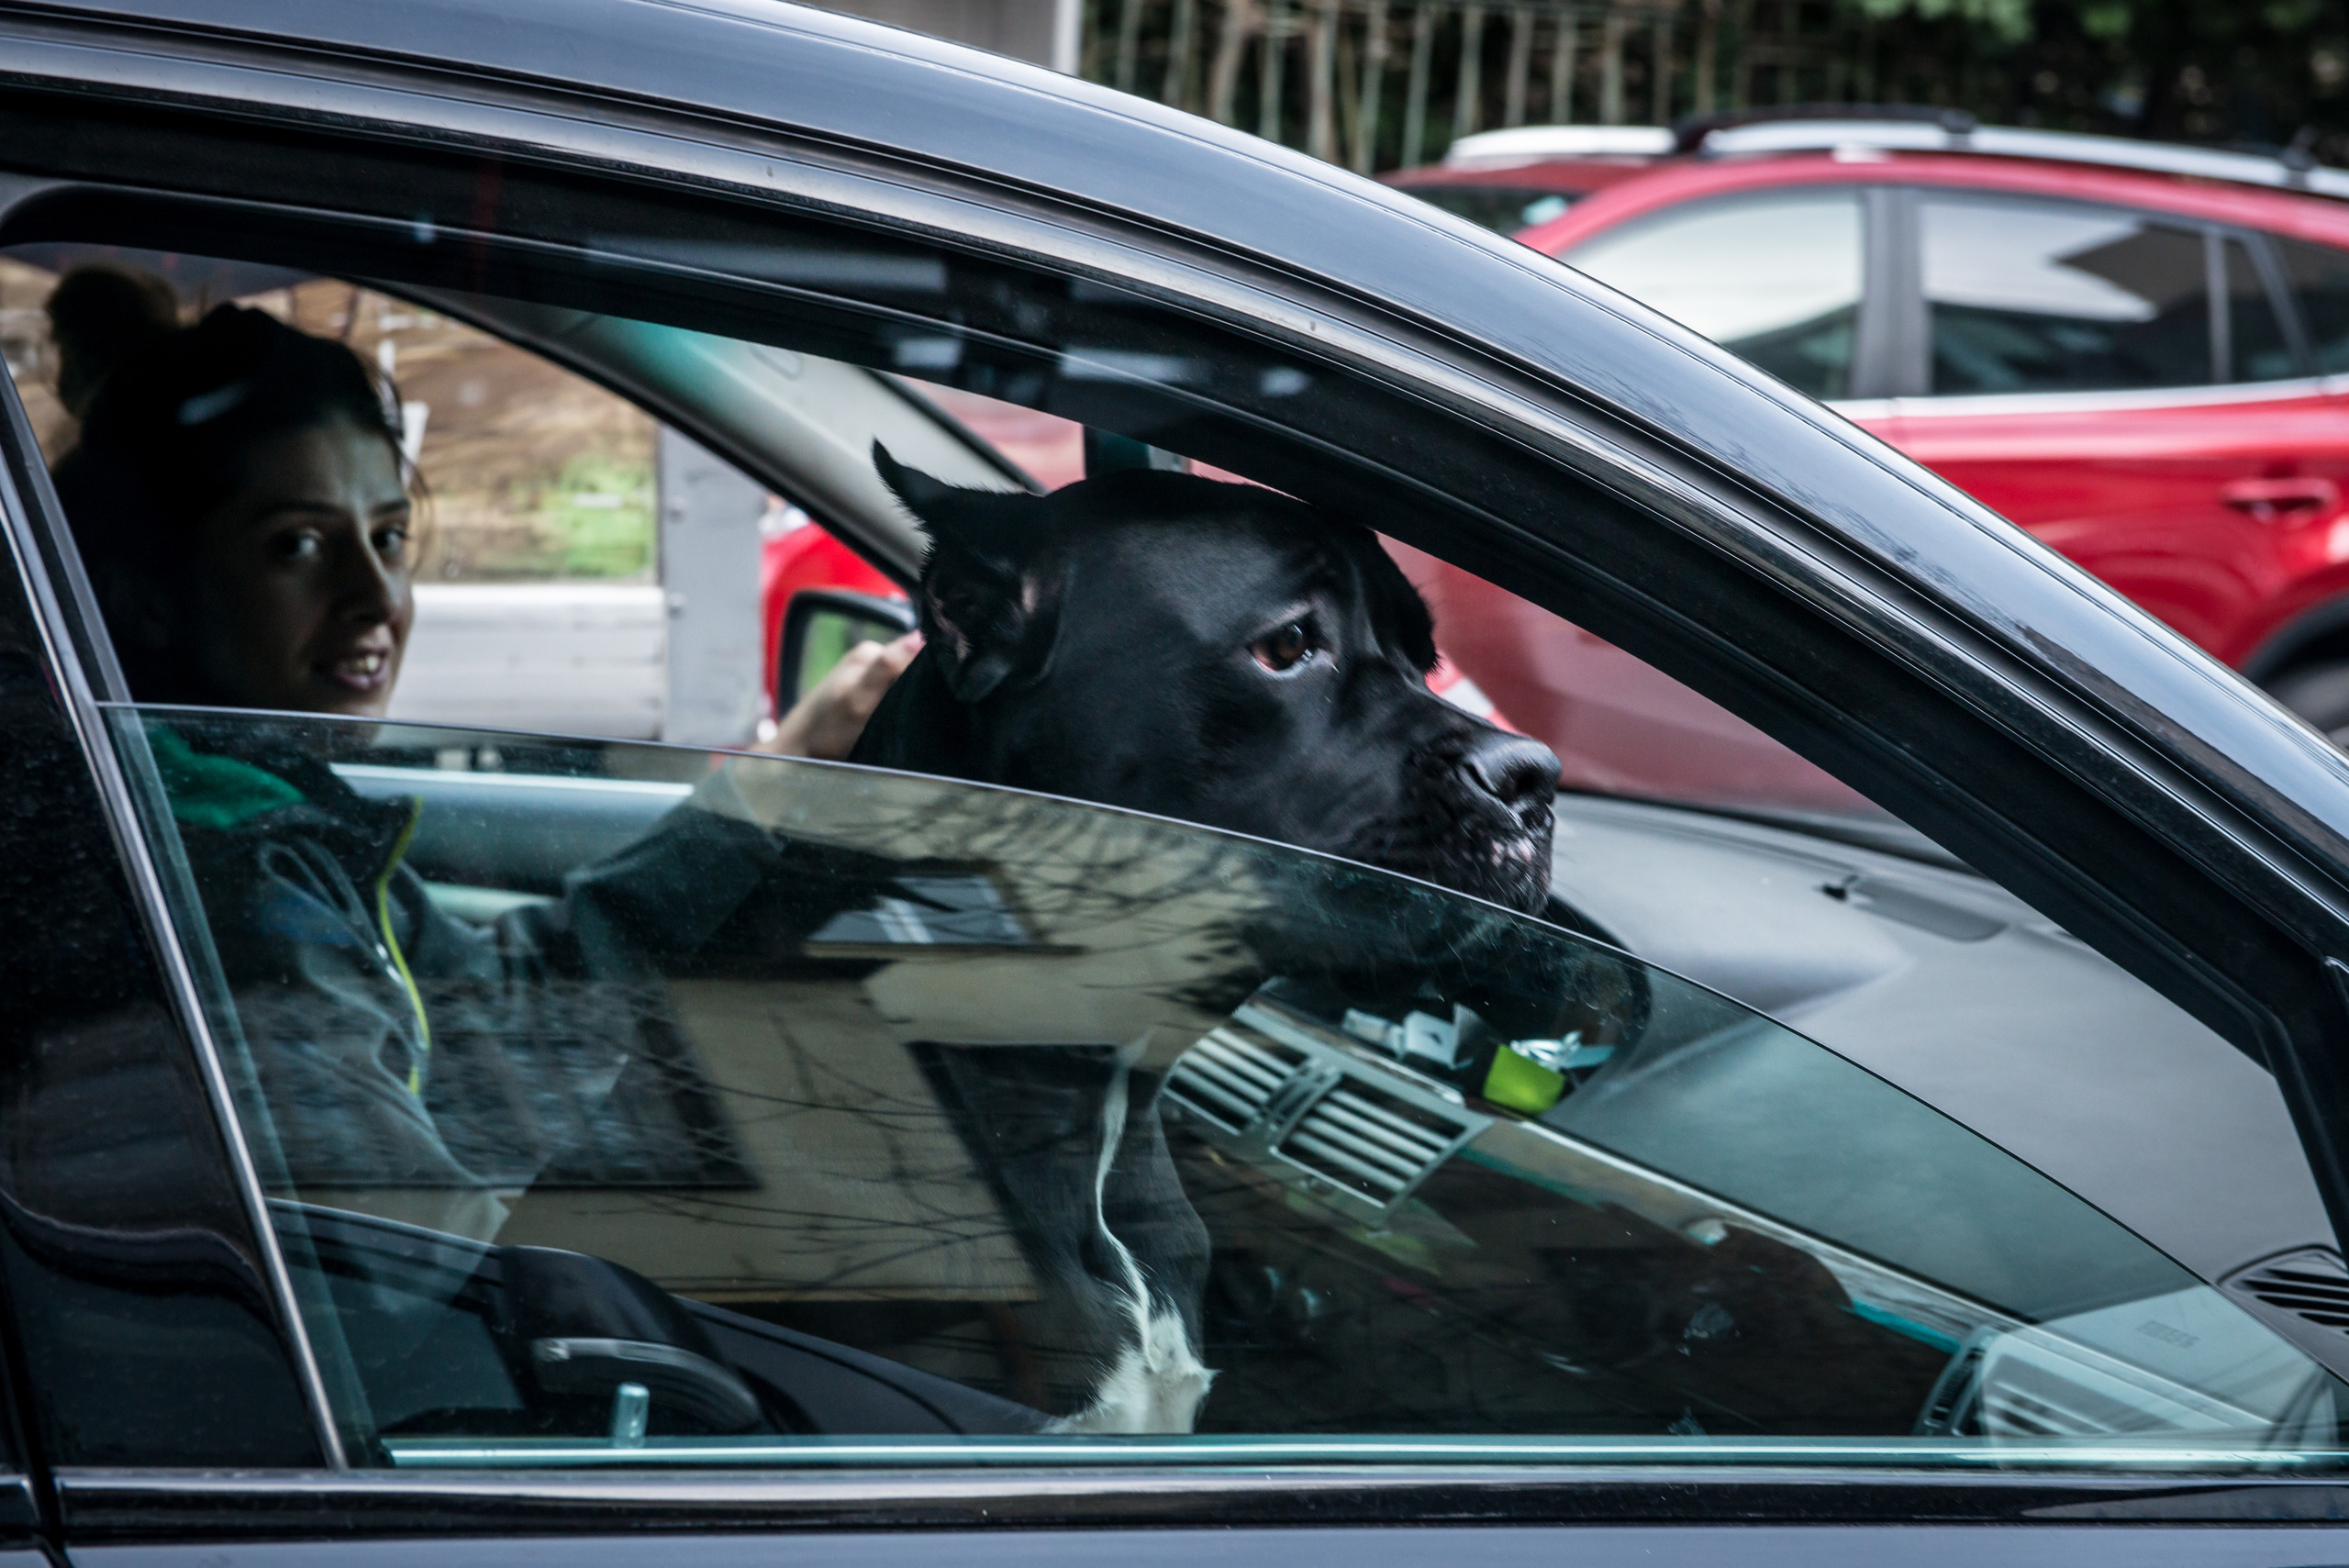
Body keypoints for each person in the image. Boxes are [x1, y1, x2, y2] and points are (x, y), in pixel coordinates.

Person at [47, 275, 899, 1240]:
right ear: (153, 589)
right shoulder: (232, 868)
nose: (376, 596)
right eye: (297, 544)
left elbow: (502, 1021)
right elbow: (431, 1275)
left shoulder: (276, 810)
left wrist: (776, 776)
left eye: (389, 535)